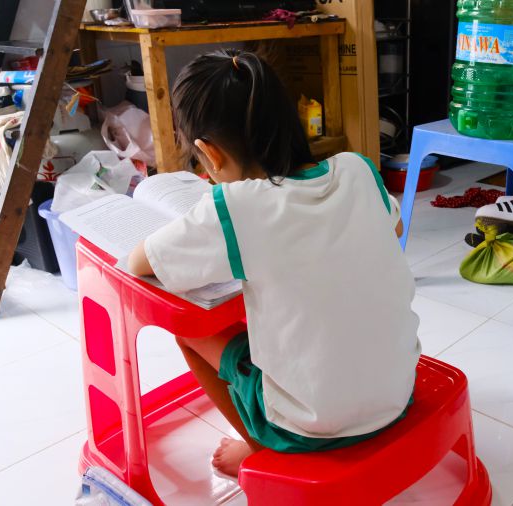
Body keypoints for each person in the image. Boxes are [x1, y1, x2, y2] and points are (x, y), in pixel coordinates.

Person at [127, 49, 420, 477]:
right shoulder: (357, 169)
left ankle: (258, 448)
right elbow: (394, 228)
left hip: (309, 428)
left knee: (190, 333)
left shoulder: (235, 206)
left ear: (209, 154)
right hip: (396, 394)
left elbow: (141, 262)